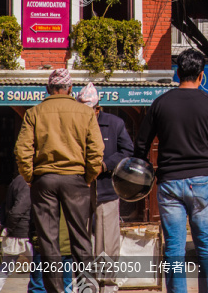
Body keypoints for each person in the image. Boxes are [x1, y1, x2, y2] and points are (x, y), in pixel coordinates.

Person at [134, 49, 208, 293]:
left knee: (174, 250)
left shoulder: (161, 103)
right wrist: (206, 159)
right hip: (201, 182)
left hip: (169, 184)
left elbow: (140, 146)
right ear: (201, 75)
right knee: (206, 245)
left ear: (178, 73)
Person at [14, 68, 104, 293]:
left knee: (48, 241)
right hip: (75, 179)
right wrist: (88, 177)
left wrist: (30, 177)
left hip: (44, 180)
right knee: (81, 240)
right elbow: (96, 151)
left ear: (48, 89)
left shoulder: (34, 113)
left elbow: (22, 149)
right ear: (70, 89)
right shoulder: (84, 112)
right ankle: (87, 290)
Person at [77, 82, 133, 293]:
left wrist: (106, 165)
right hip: (80, 190)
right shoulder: (74, 123)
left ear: (97, 108)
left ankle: (107, 285)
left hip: (106, 190)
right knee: (82, 241)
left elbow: (127, 150)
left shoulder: (114, 124)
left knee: (107, 241)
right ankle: (85, 286)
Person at [0, 171, 33, 293]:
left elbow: (4, 205)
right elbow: (19, 208)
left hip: (16, 231)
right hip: (24, 232)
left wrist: (5, 226)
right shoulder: (25, 182)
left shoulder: (17, 181)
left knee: (5, 268)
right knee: (44, 266)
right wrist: (8, 227)